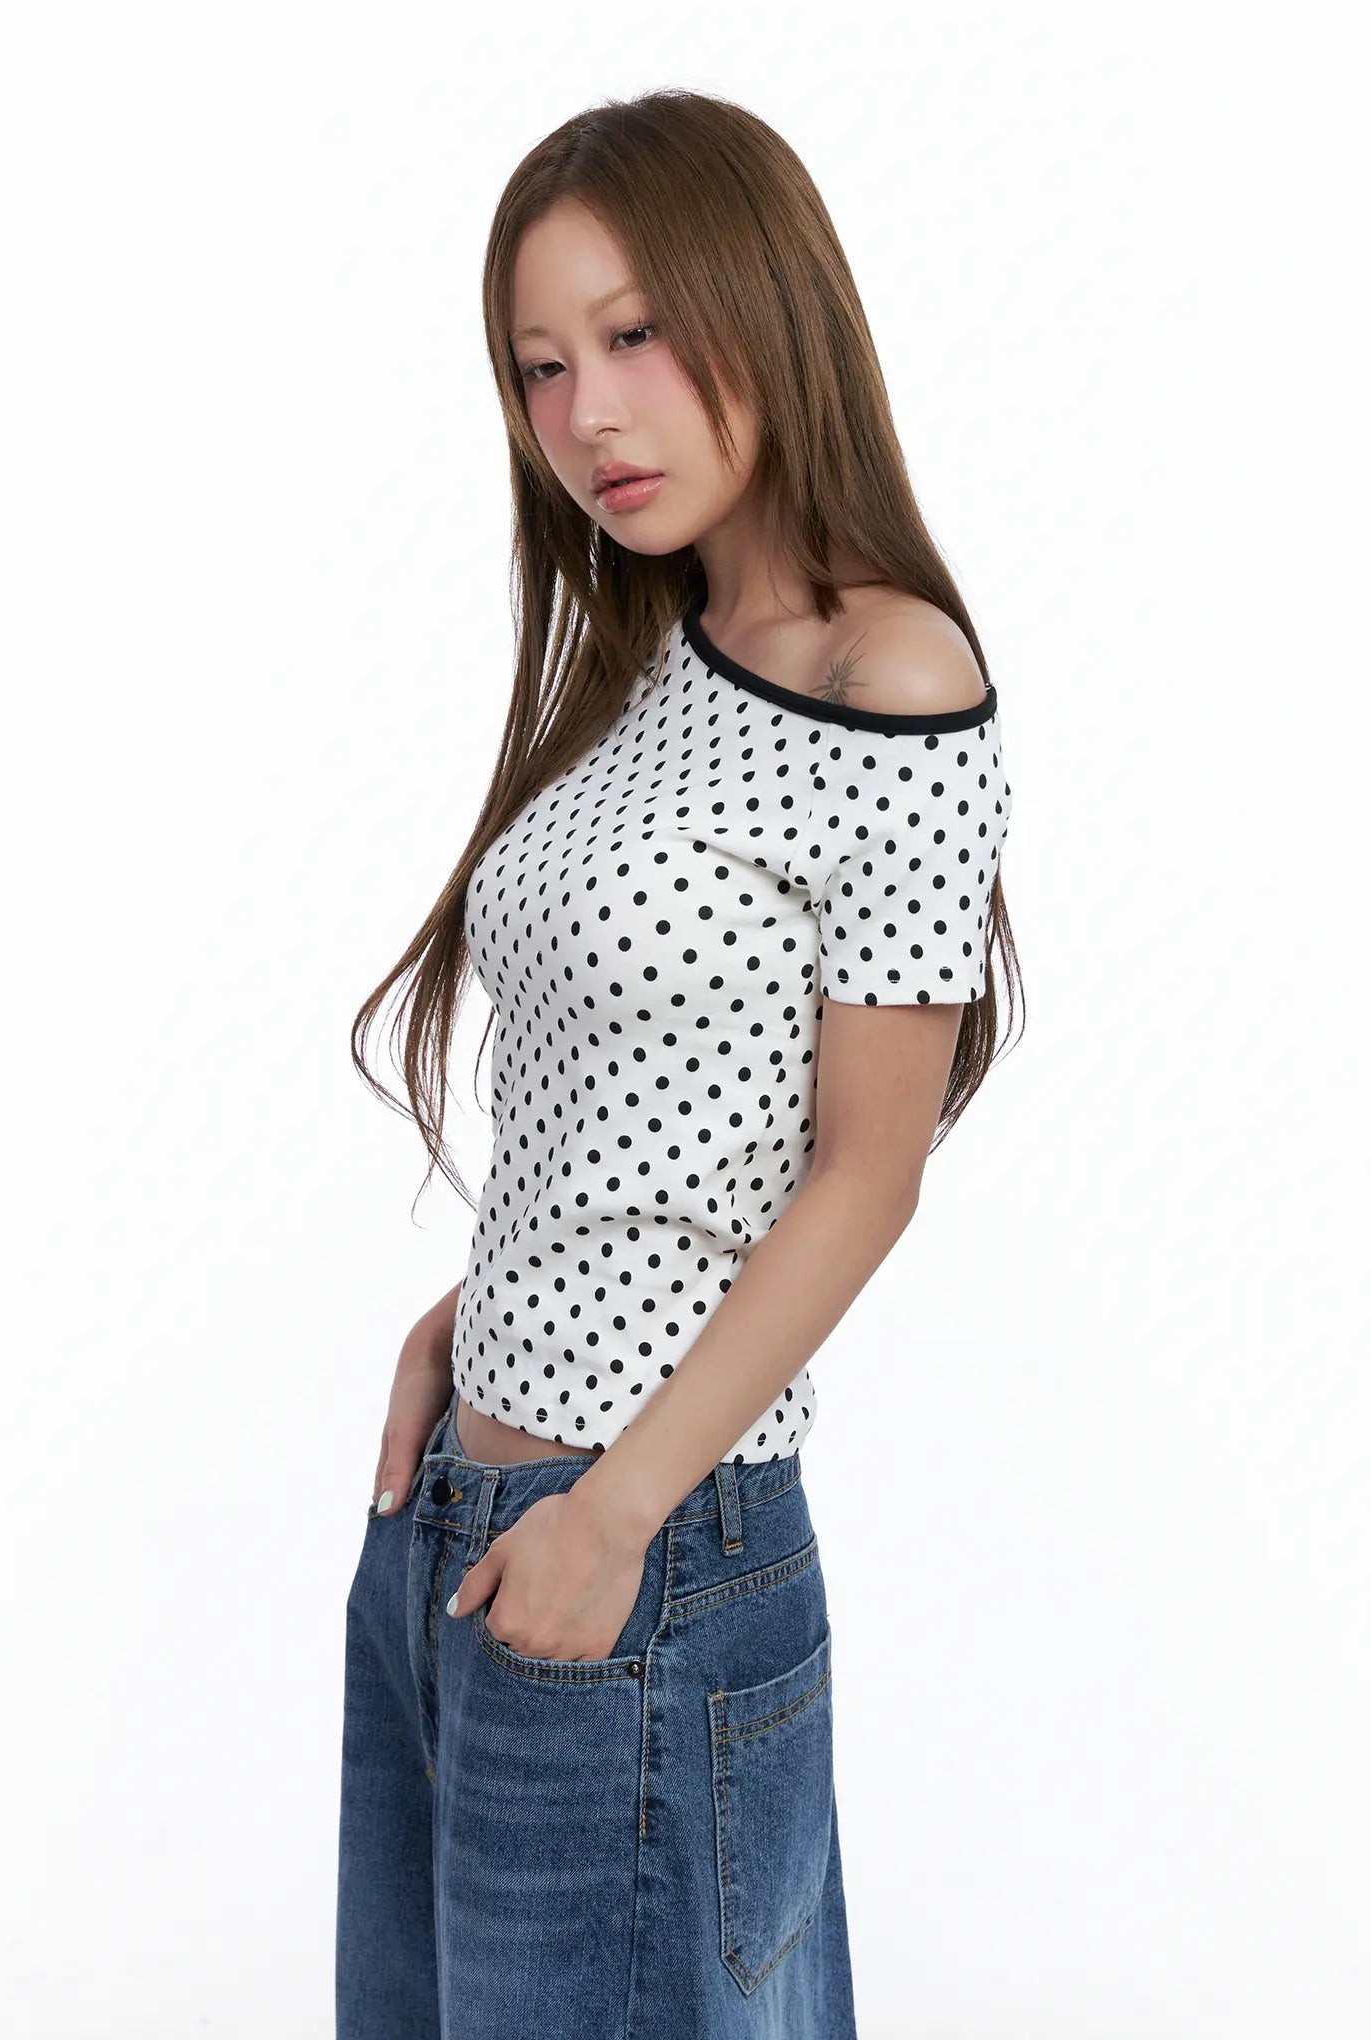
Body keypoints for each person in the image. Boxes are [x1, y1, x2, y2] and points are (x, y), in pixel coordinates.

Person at [336, 86, 1022, 2040]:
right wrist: (475, 1320)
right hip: (463, 1537)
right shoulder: (646, 668)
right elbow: (634, 1101)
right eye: (542, 367)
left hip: (640, 1561)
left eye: (633, 334)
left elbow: (866, 1172)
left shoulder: (891, 676)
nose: (589, 417)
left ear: (762, 301)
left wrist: (615, 1512)